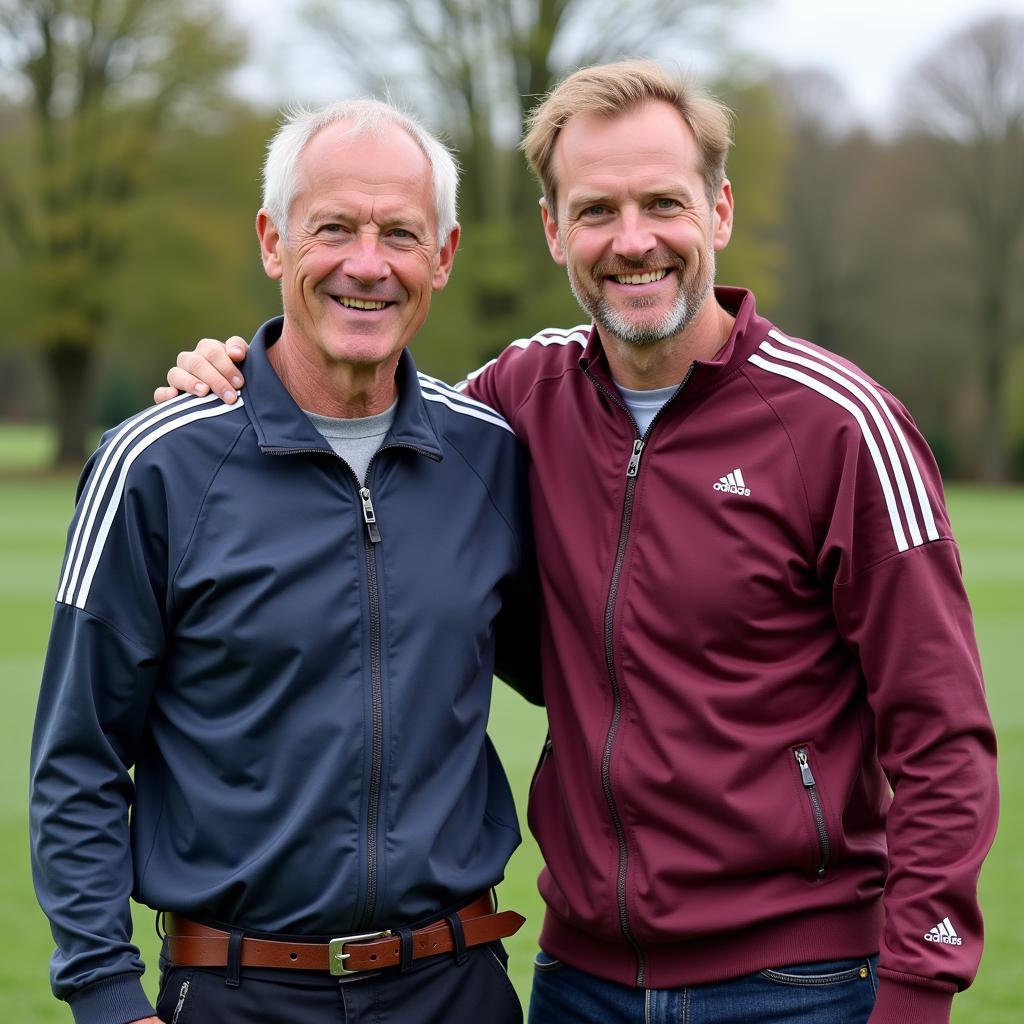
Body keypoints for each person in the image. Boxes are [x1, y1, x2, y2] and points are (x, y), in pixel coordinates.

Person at [156, 60, 998, 1024]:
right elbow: (363, 406)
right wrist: (236, 368)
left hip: (798, 987)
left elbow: (944, 738)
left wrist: (919, 991)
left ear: (718, 214)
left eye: (663, 204)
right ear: (555, 230)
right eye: (597, 210)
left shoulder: (841, 427)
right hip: (580, 983)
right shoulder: (514, 401)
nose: (633, 241)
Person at [30, 99, 541, 1024]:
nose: (367, 264)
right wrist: (106, 995)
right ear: (273, 240)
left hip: (456, 987)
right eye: (333, 228)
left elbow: (587, 672)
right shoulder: (156, 466)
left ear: (445, 256)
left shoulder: (492, 459)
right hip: (236, 992)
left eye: (400, 233)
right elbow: (80, 754)